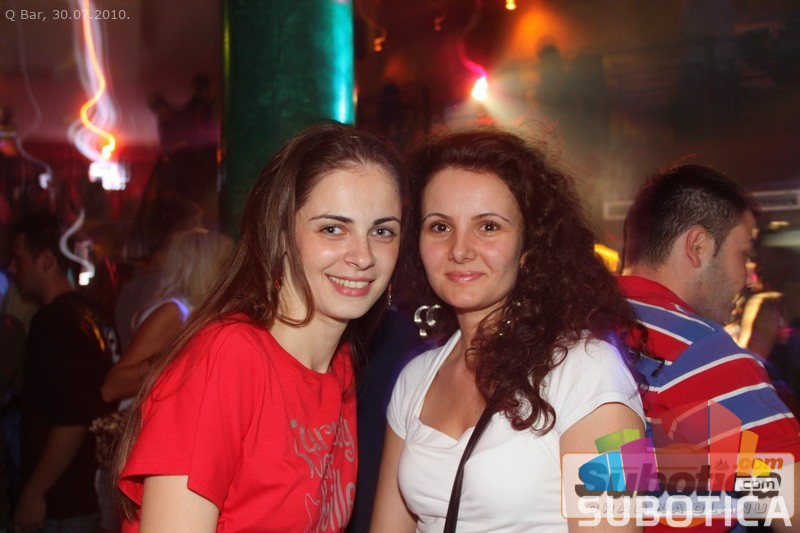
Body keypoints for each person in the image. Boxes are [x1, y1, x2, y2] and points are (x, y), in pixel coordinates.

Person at [115, 122, 405, 532]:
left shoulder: (340, 363)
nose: (363, 256)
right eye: (332, 229)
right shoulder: (228, 358)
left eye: (382, 231)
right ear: (281, 234)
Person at [371, 129, 644, 531]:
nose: (459, 250)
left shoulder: (593, 370)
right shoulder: (414, 380)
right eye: (440, 227)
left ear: (529, 246)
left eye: (488, 226)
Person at [620, 163, 800, 531]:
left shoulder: (572, 324)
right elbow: (792, 506)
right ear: (698, 246)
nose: (748, 277)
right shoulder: (698, 350)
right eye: (743, 253)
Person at [8, 214, 118, 532]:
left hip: (64, 502)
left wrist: (34, 493)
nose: (13, 268)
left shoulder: (53, 322)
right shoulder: (94, 313)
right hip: (89, 491)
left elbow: (72, 419)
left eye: (19, 258)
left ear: (45, 261)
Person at [101, 229, 234, 405]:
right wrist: (173, 358)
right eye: (226, 263)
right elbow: (111, 387)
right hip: (146, 415)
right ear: (208, 269)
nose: (233, 272)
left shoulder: (198, 311)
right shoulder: (175, 311)